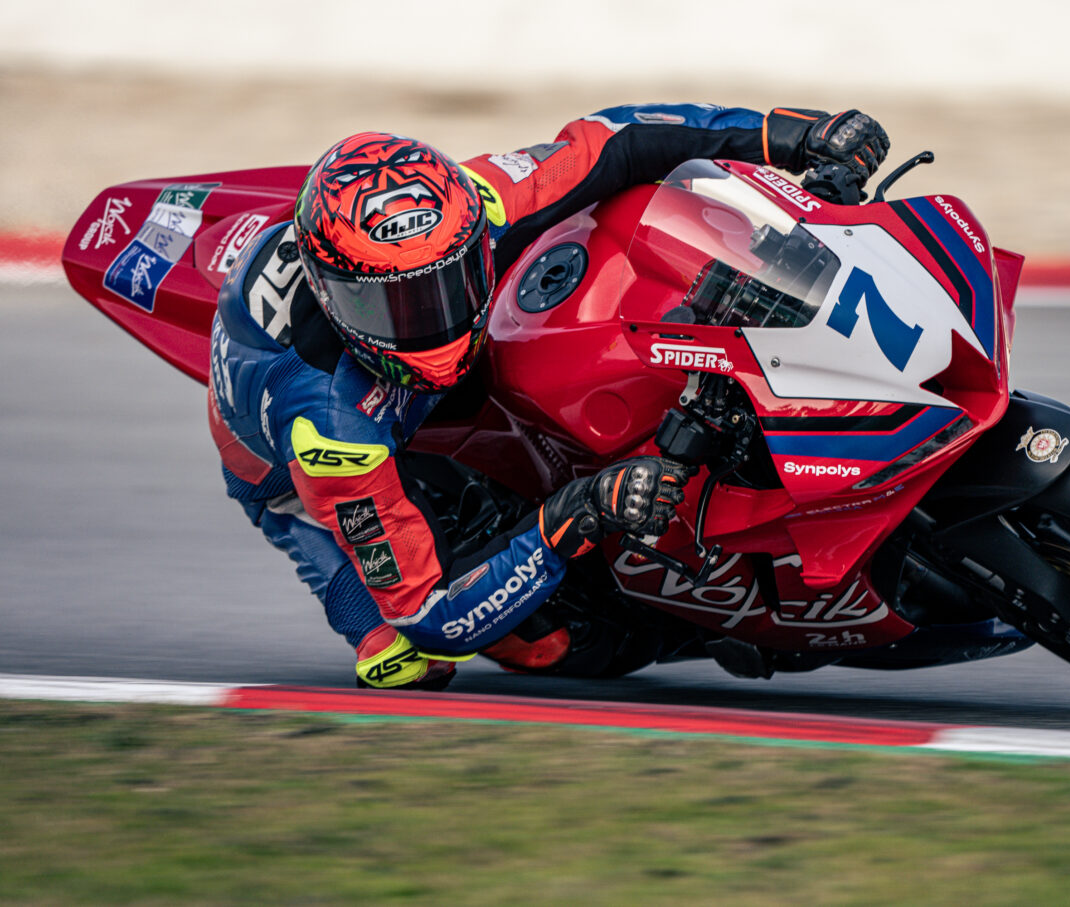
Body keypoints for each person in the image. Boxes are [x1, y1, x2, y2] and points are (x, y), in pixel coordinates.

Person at [208, 104, 890, 689]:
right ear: (330, 297)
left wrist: (790, 135)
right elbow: (428, 614)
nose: (431, 323)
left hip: (414, 370)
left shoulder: (476, 201)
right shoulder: (329, 431)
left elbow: (617, 139)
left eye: (447, 285)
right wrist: (576, 512)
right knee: (417, 658)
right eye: (394, 307)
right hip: (289, 465)